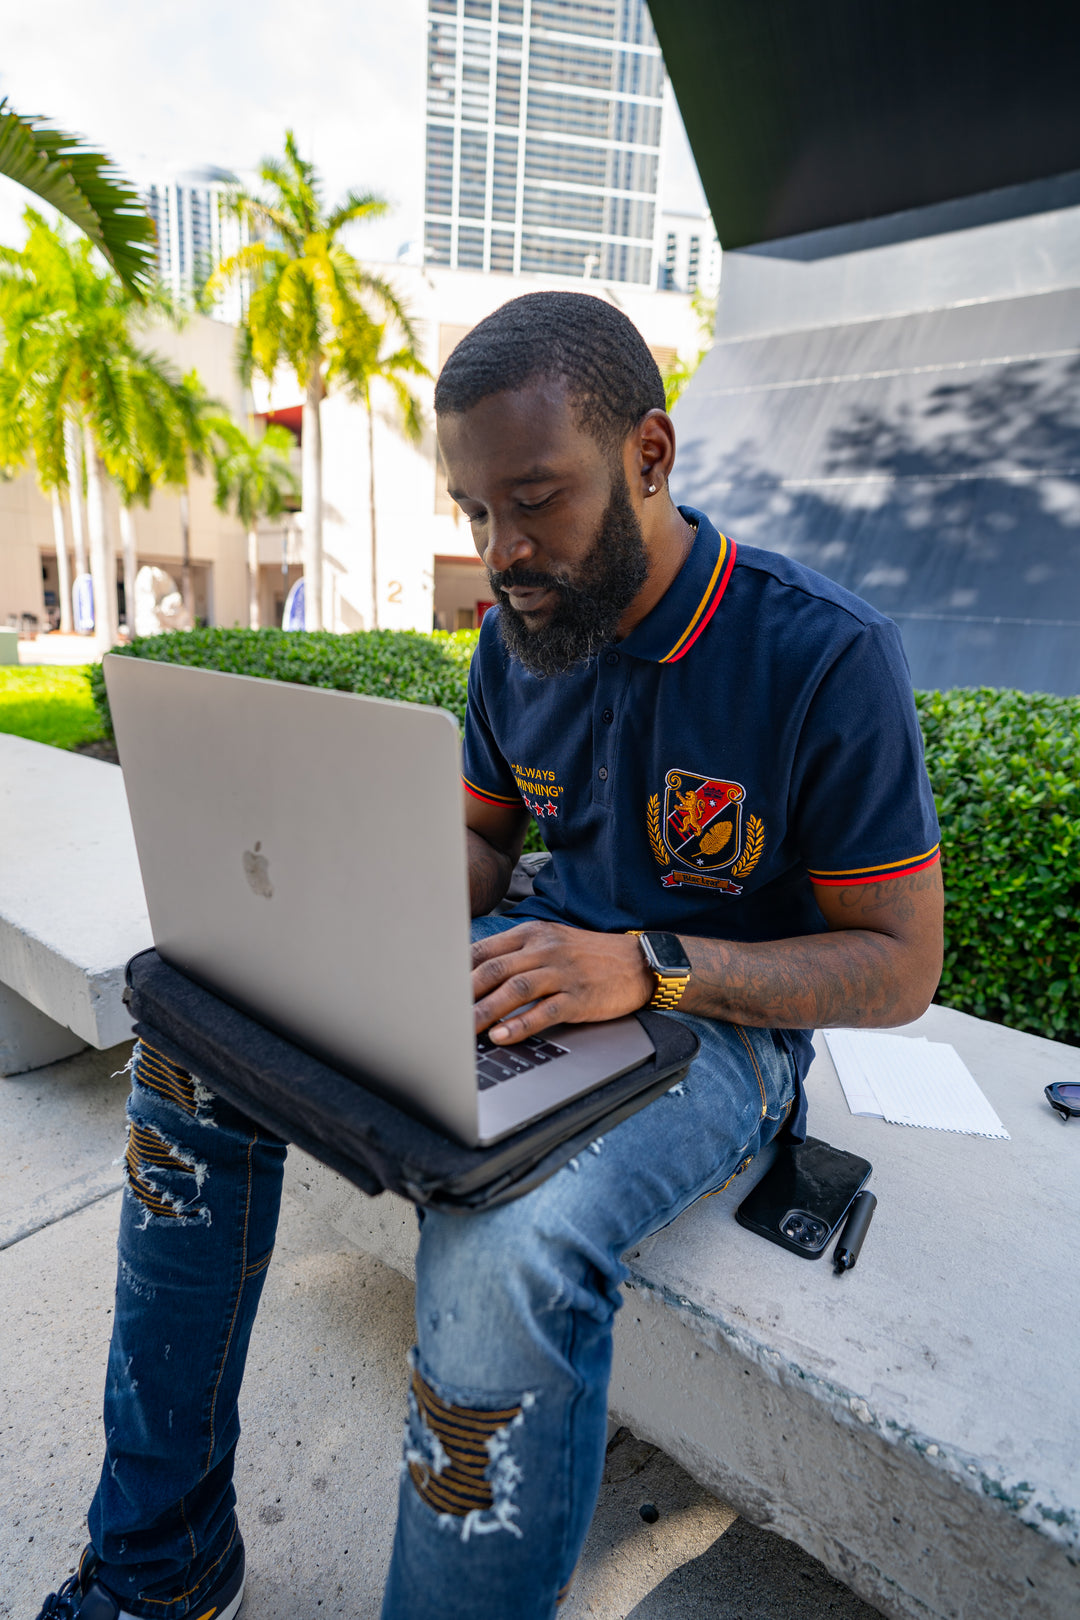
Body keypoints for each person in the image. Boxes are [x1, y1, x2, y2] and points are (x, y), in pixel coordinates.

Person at [37, 292, 943, 1620]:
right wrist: (358, 926)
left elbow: (897, 965)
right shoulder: (524, 634)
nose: (504, 551)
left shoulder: (821, 656)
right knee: (193, 1048)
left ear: (651, 453)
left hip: (716, 1029)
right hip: (524, 974)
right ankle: (157, 1568)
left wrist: (646, 961)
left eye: (536, 500)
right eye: (474, 512)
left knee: (504, 1236)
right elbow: (478, 852)